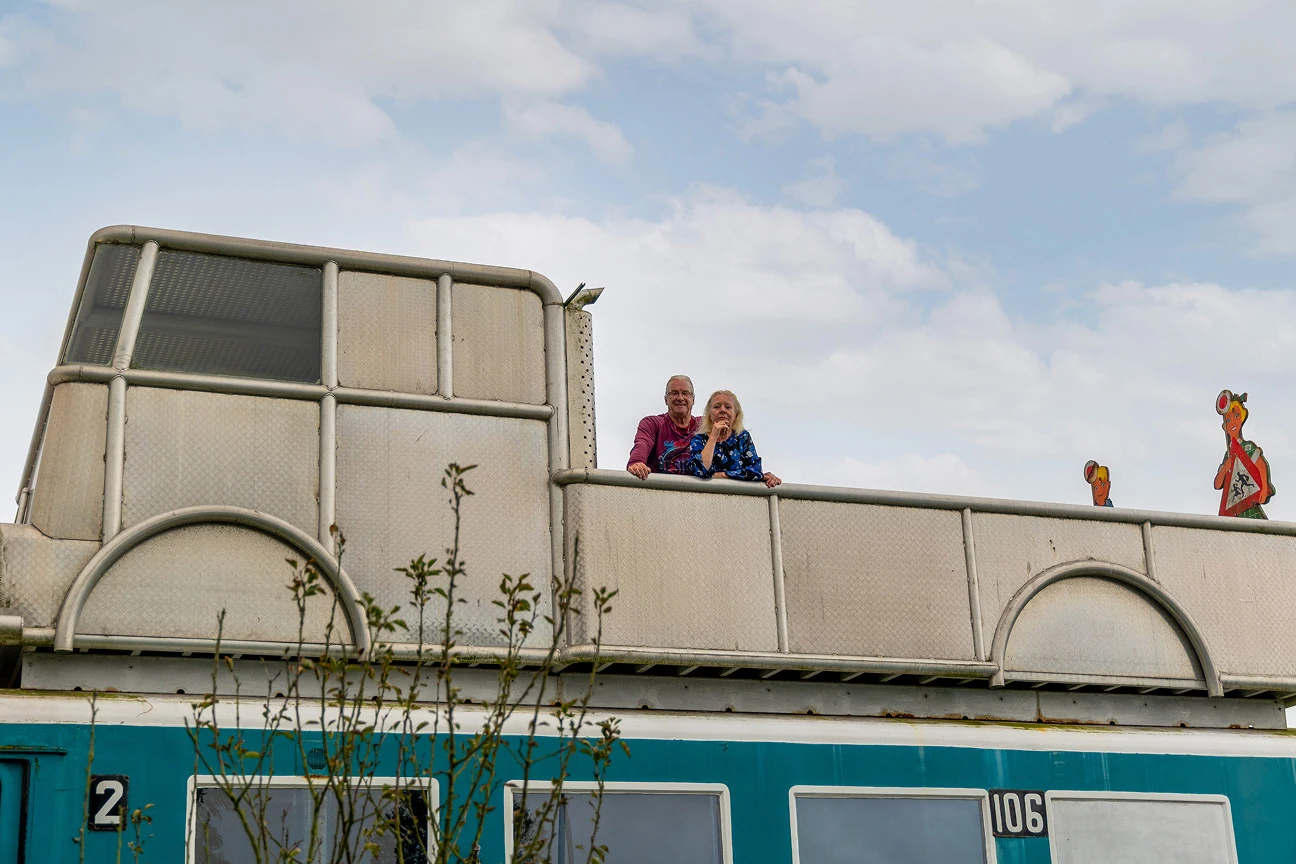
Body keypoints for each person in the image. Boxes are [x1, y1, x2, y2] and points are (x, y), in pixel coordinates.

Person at [688, 390, 781, 488]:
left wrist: (722, 475)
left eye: (728, 407)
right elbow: (701, 470)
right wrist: (713, 437)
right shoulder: (699, 439)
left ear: (736, 414)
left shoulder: (742, 437)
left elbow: (755, 471)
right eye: (717, 407)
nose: (722, 410)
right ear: (709, 414)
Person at [1213, 389, 1275, 519]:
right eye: (1228, 420)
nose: (1233, 422)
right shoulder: (1228, 454)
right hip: (1233, 508)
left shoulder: (1248, 447)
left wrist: (1263, 489)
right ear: (1225, 426)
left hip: (1251, 504)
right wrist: (1225, 469)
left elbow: (1261, 465)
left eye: (1236, 416)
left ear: (1242, 417)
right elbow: (1218, 484)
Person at [626, 375, 701, 479]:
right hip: (661, 490)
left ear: (693, 399)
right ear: (666, 399)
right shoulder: (653, 423)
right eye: (674, 393)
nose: (680, 398)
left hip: (698, 491)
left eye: (685, 393)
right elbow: (643, 443)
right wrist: (637, 462)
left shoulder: (704, 425)